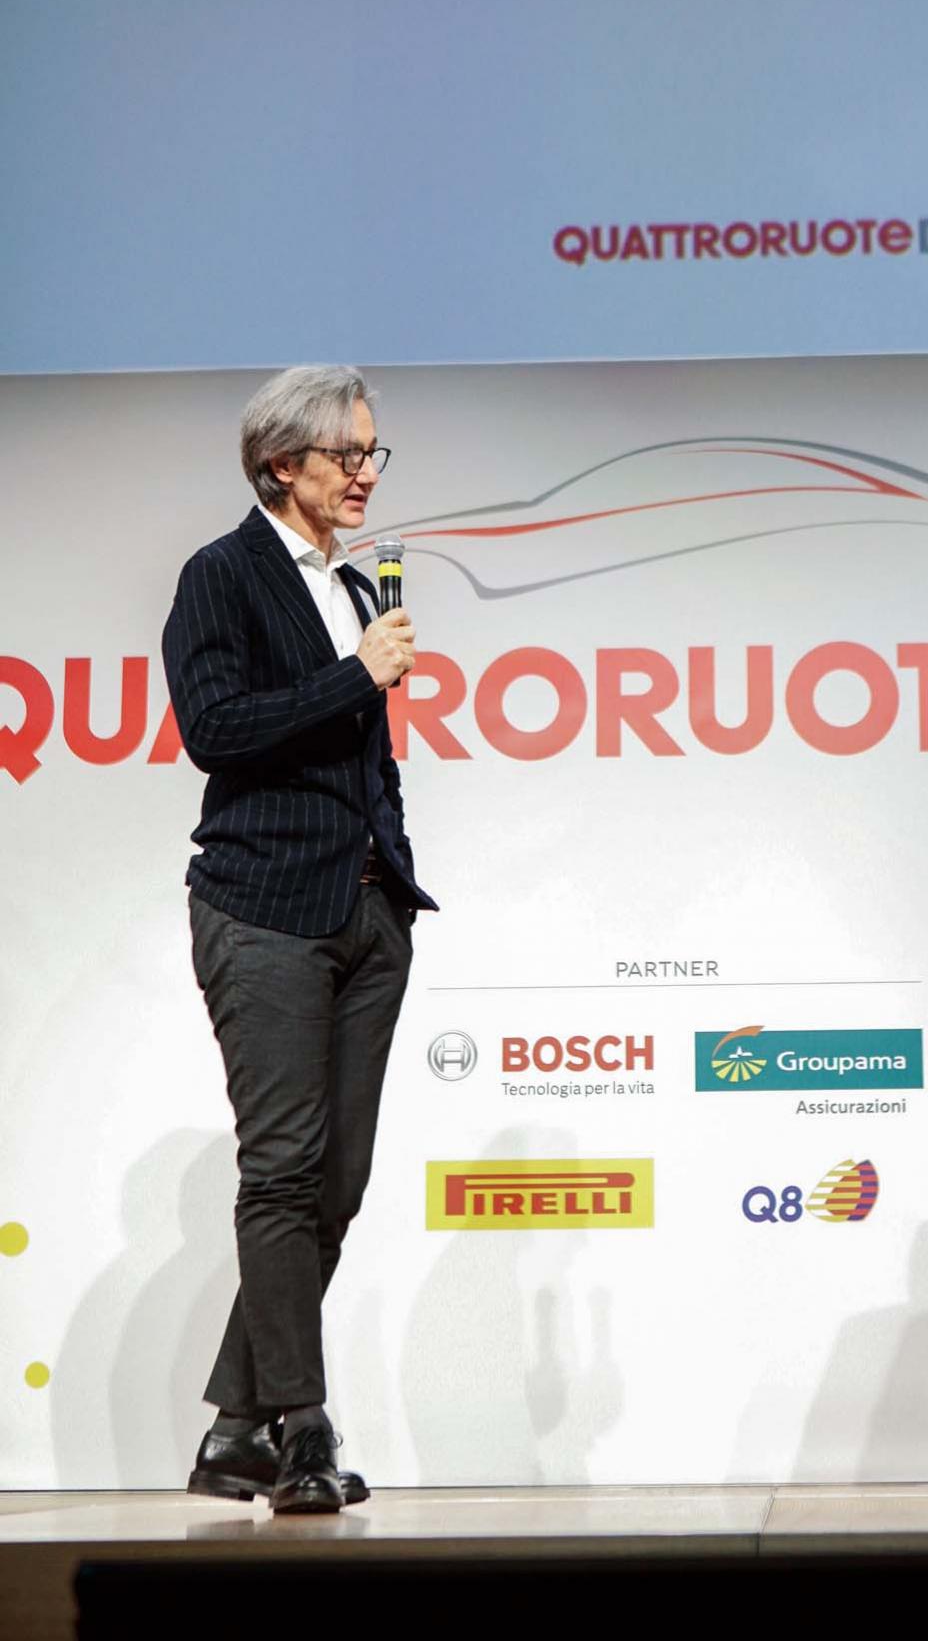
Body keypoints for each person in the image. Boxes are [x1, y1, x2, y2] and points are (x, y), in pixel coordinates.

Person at [163, 365, 437, 1513]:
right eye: (348, 454)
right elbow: (215, 728)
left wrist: (393, 874)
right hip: (264, 904)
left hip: (366, 910)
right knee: (280, 1169)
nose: (368, 471)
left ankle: (236, 1429)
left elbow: (366, 756)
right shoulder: (220, 575)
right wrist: (351, 676)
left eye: (374, 451)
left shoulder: (356, 583)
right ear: (282, 463)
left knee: (339, 1179)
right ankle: (302, 1425)